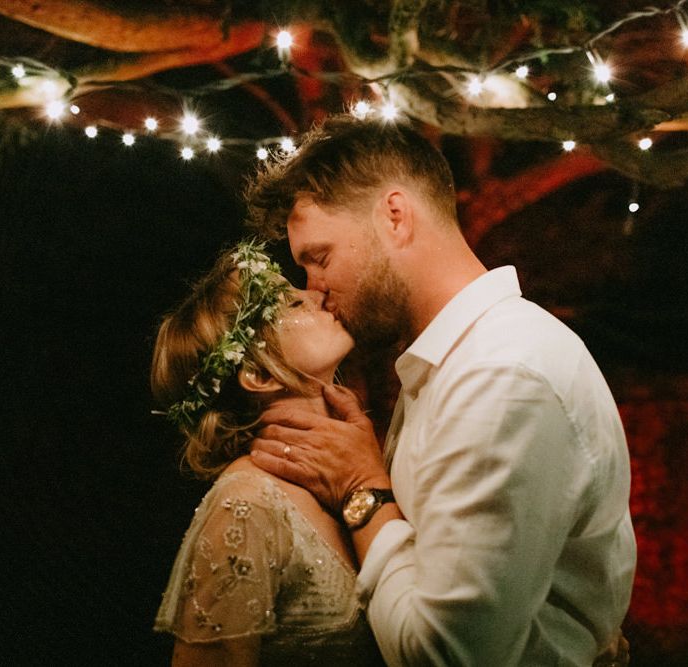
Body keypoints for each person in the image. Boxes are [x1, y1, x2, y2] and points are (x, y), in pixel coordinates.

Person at [245, 114, 637, 666]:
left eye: (320, 257)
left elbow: (447, 655)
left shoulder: (501, 376)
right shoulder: (452, 365)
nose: (314, 290)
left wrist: (363, 489)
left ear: (396, 216)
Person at [151, 239, 385, 666]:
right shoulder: (246, 506)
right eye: (292, 305)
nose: (317, 294)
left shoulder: (348, 471)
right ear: (257, 374)